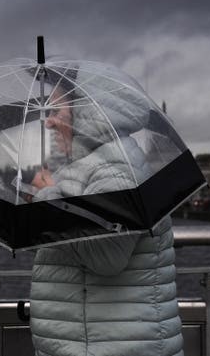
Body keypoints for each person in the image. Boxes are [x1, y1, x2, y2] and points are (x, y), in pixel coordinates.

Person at [28, 78, 185, 356]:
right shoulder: (84, 166)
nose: (49, 122)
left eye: (56, 111)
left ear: (87, 114)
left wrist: (47, 197)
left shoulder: (115, 169)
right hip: (94, 341)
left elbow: (106, 256)